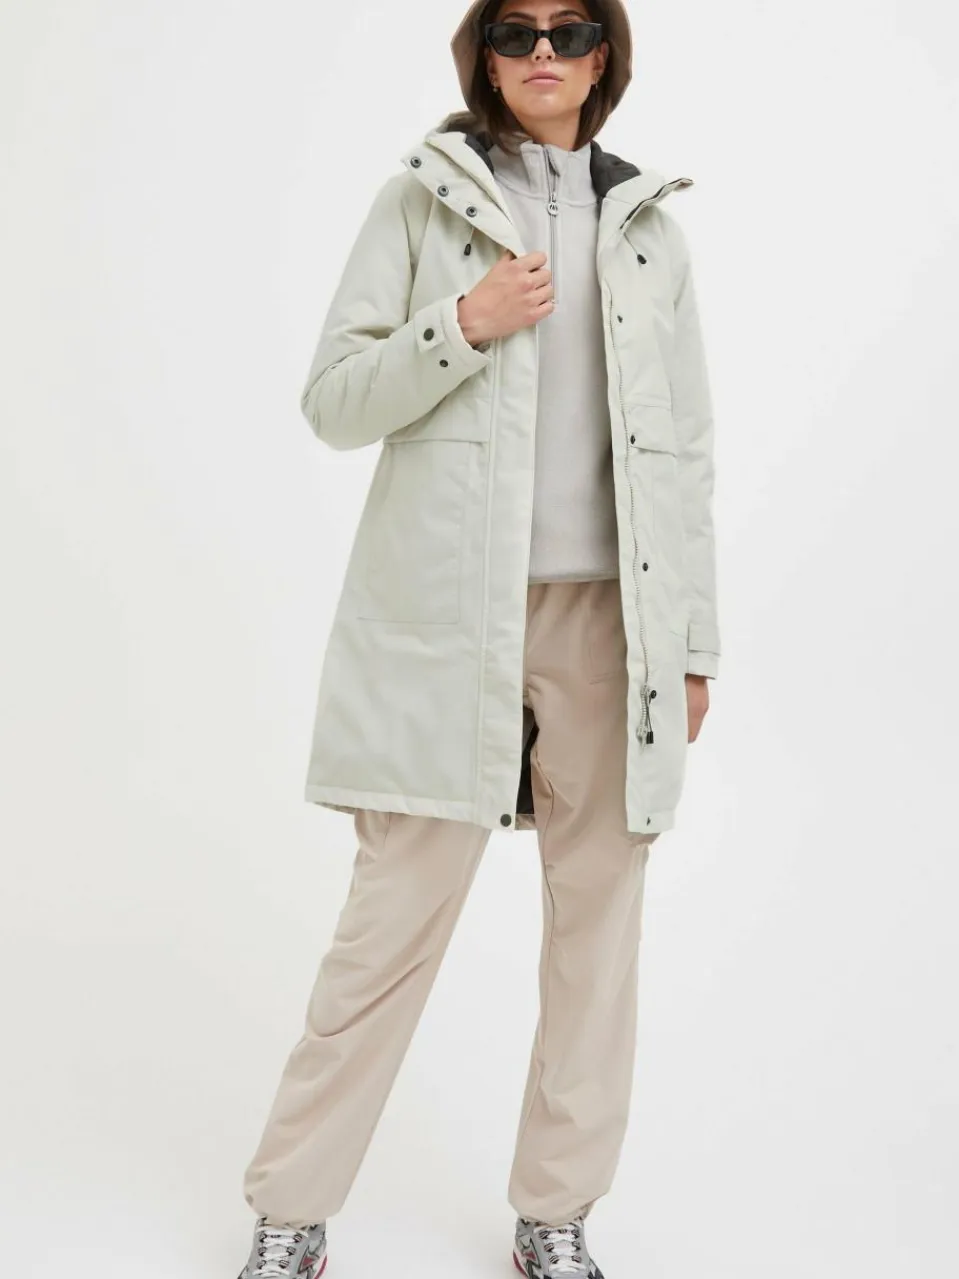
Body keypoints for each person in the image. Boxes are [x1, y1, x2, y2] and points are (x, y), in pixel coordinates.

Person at [236, 0, 720, 1274]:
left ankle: (555, 1213)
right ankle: (291, 1208)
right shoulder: (419, 204)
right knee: (389, 924)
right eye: (515, 32)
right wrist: (464, 322)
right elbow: (334, 402)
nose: (541, 52)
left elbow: (683, 453)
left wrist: (691, 644)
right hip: (446, 617)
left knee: (596, 936)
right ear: (484, 61)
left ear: (603, 56)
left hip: (611, 624)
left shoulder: (650, 231)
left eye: (569, 30)